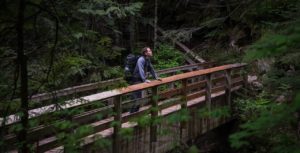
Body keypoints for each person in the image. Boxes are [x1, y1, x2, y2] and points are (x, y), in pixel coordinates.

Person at [130, 47, 160, 113]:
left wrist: (156, 77)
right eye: (149, 51)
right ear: (145, 53)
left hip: (140, 80)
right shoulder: (141, 59)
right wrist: (144, 80)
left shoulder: (147, 59)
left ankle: (134, 114)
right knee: (136, 98)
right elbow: (141, 70)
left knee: (138, 98)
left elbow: (151, 69)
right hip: (136, 80)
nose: (151, 52)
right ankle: (131, 114)